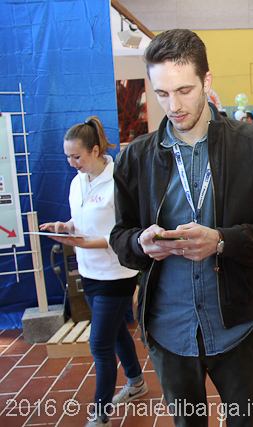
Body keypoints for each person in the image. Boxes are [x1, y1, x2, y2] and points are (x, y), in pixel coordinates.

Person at [109, 29, 253, 427]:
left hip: (236, 328)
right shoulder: (136, 158)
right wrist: (140, 243)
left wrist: (223, 241)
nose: (173, 106)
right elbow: (119, 236)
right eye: (162, 93)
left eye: (184, 90)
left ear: (206, 81)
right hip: (169, 332)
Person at [40, 116, 147, 427]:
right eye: (68, 157)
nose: (72, 163)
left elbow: (123, 234)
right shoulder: (78, 182)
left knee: (99, 344)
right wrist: (65, 226)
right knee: (116, 332)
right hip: (89, 273)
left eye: (77, 156)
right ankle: (136, 383)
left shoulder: (118, 182)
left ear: (96, 150)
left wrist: (85, 243)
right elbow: (82, 219)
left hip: (116, 274)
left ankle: (100, 416)